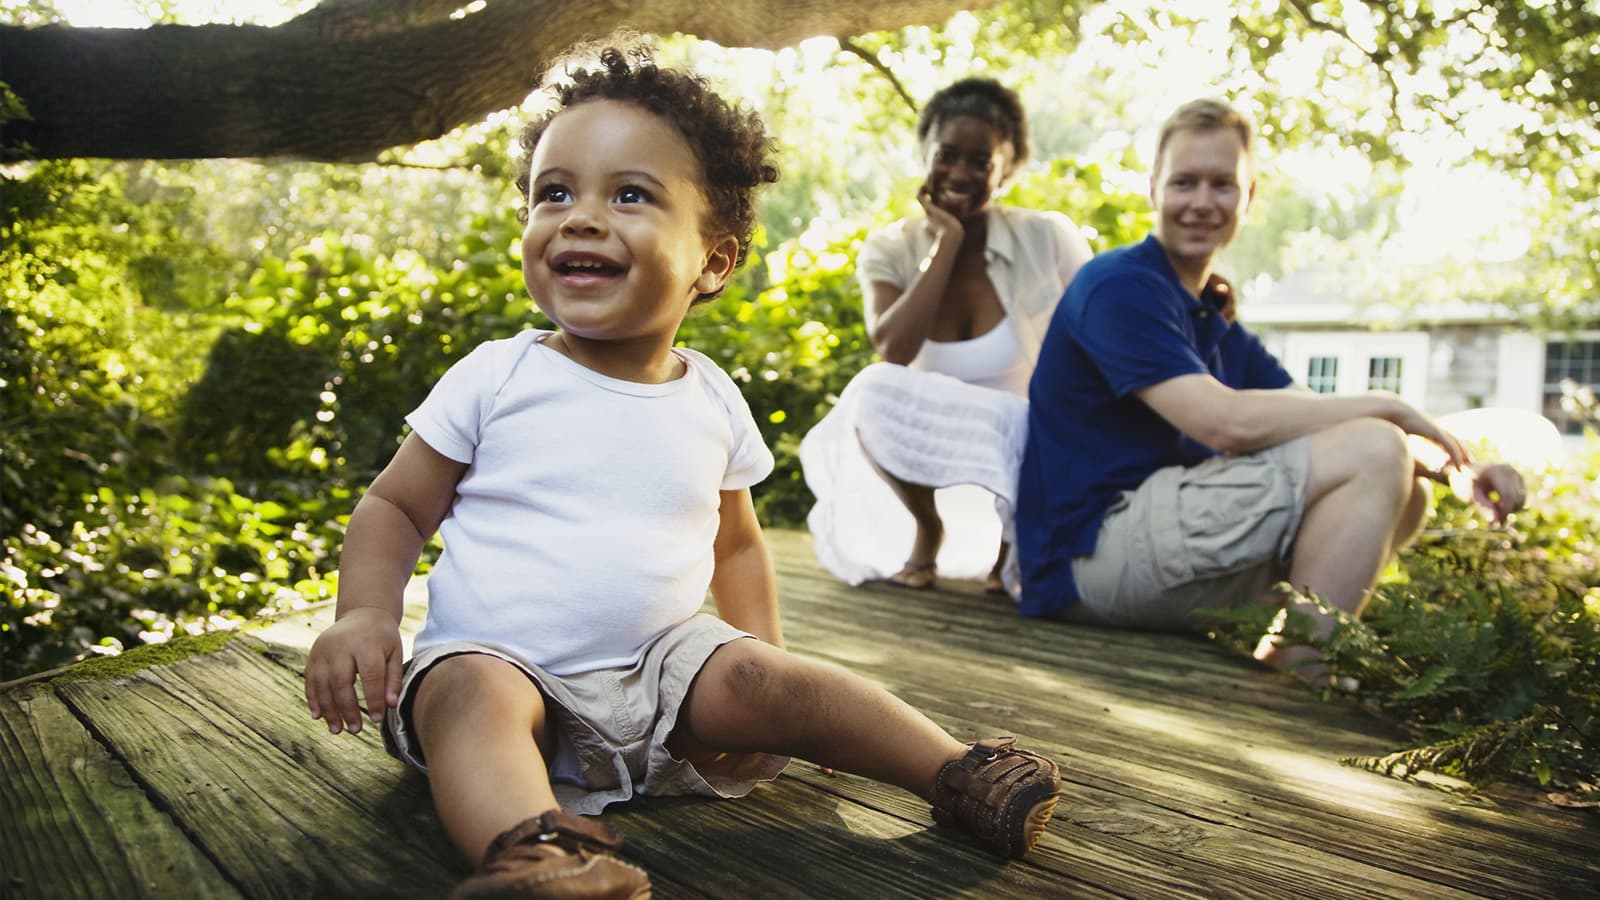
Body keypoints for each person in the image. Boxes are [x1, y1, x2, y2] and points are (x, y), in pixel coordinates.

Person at [302, 44, 1062, 900]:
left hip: (659, 683)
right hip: (497, 664)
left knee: (778, 679)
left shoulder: (711, 397)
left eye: (630, 194)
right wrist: (364, 614)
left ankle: (959, 775)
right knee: (470, 692)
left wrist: (760, 664)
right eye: (554, 192)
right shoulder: (498, 374)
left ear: (713, 259)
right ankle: (536, 857)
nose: (580, 217)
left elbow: (736, 547)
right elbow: (396, 507)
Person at [1013, 98, 1526, 679]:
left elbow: (1313, 415)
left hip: (1152, 548)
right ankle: (1303, 681)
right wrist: (1392, 407)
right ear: (1153, 189)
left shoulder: (1210, 314)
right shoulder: (1119, 288)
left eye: (1222, 184)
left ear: (1248, 196)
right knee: (1378, 447)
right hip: (1089, 556)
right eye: (1184, 182)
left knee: (1405, 483)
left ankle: (1288, 662)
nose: (1202, 202)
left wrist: (1458, 468)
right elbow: (1221, 422)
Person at [800, 78, 1093, 592]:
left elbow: (1101, 334)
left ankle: (1009, 549)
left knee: (1028, 414)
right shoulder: (889, 248)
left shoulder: (1047, 237)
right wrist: (946, 245)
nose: (959, 173)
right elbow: (893, 349)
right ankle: (928, 528)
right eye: (947, 155)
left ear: (1007, 169)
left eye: (980, 161)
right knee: (871, 388)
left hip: (1029, 442)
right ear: (925, 155)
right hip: (930, 445)